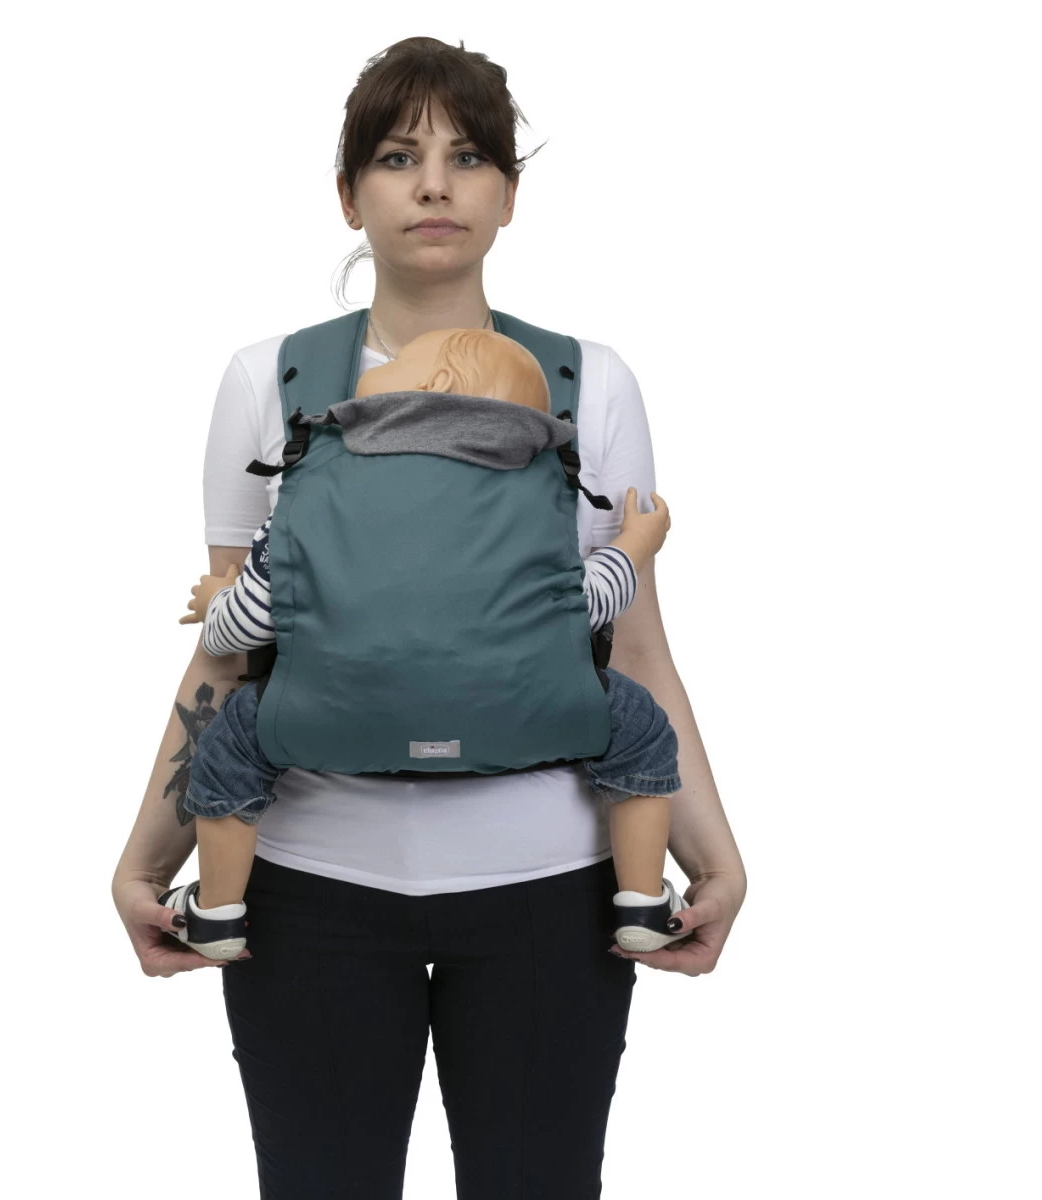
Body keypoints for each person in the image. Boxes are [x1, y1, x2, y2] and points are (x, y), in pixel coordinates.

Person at [111, 36, 748, 1198]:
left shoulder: (593, 381)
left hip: (551, 884)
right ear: (349, 193)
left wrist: (713, 855)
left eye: (469, 158)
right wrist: (150, 857)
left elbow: (637, 649)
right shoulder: (265, 380)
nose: (435, 185)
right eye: (399, 157)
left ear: (509, 194)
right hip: (309, 885)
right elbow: (230, 652)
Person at [163, 325, 690, 961]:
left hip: (327, 718)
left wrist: (215, 602)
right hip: (532, 716)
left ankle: (218, 913)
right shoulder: (541, 493)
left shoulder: (314, 482)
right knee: (641, 733)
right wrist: (634, 545)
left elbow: (244, 629)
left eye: (397, 361)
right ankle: (642, 901)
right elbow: (588, 606)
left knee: (232, 748)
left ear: (432, 384)